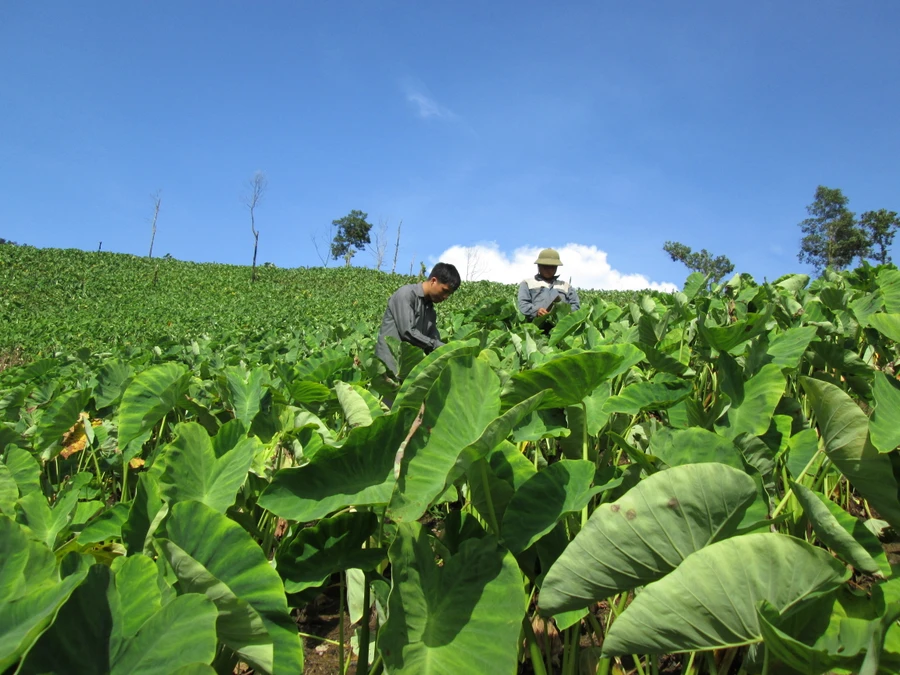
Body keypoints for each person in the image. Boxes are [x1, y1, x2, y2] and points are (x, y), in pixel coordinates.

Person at [375, 262, 461, 376]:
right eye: (444, 291)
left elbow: (434, 340)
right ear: (433, 281)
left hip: (407, 370)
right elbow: (408, 332)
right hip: (388, 368)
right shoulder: (406, 295)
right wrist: (437, 346)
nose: (445, 297)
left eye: (449, 294)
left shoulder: (430, 310)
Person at [517, 248, 580, 319]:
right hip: (536, 326)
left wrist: (568, 313)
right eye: (545, 266)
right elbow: (523, 304)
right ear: (539, 266)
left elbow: (575, 304)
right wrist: (536, 311)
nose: (549, 269)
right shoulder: (527, 283)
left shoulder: (565, 286)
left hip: (560, 326)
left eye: (552, 267)